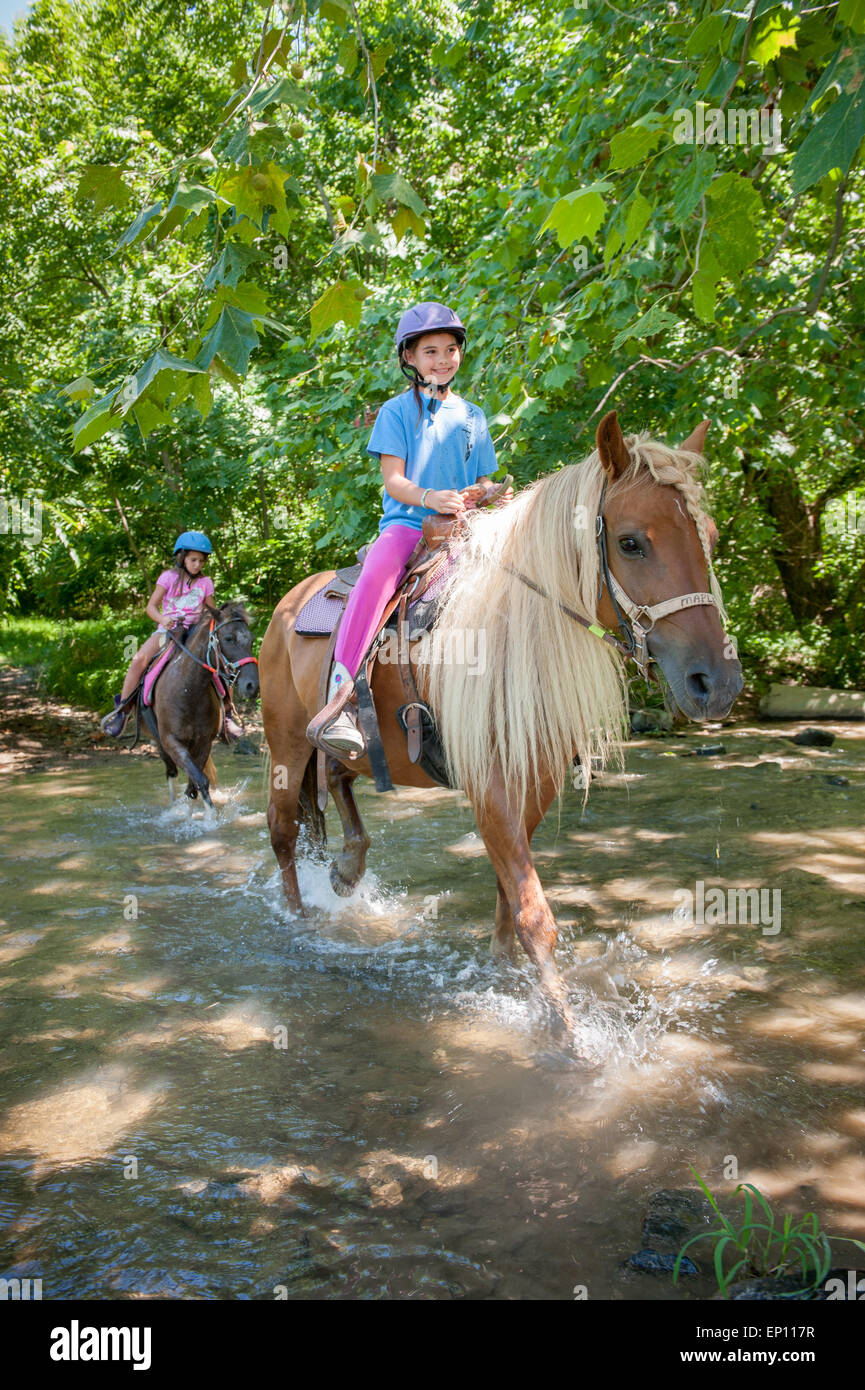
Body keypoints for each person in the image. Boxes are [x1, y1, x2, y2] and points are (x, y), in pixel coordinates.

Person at [312, 300, 511, 757]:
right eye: (430, 352)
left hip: (465, 528)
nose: (443, 360)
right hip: (408, 526)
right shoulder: (396, 413)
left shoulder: (474, 417)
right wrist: (429, 498)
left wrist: (490, 492)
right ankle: (340, 699)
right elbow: (393, 481)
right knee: (376, 579)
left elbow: (481, 478)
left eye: (450, 350)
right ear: (409, 358)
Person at [100, 531, 243, 740]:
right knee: (138, 659)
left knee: (221, 667)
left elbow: (211, 612)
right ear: (182, 557)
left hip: (194, 633)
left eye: (201, 561)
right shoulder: (168, 578)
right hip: (167, 631)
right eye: (193, 559)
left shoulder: (206, 583)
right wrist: (162, 619)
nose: (197, 565)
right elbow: (150, 607)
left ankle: (227, 716)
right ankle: (123, 711)